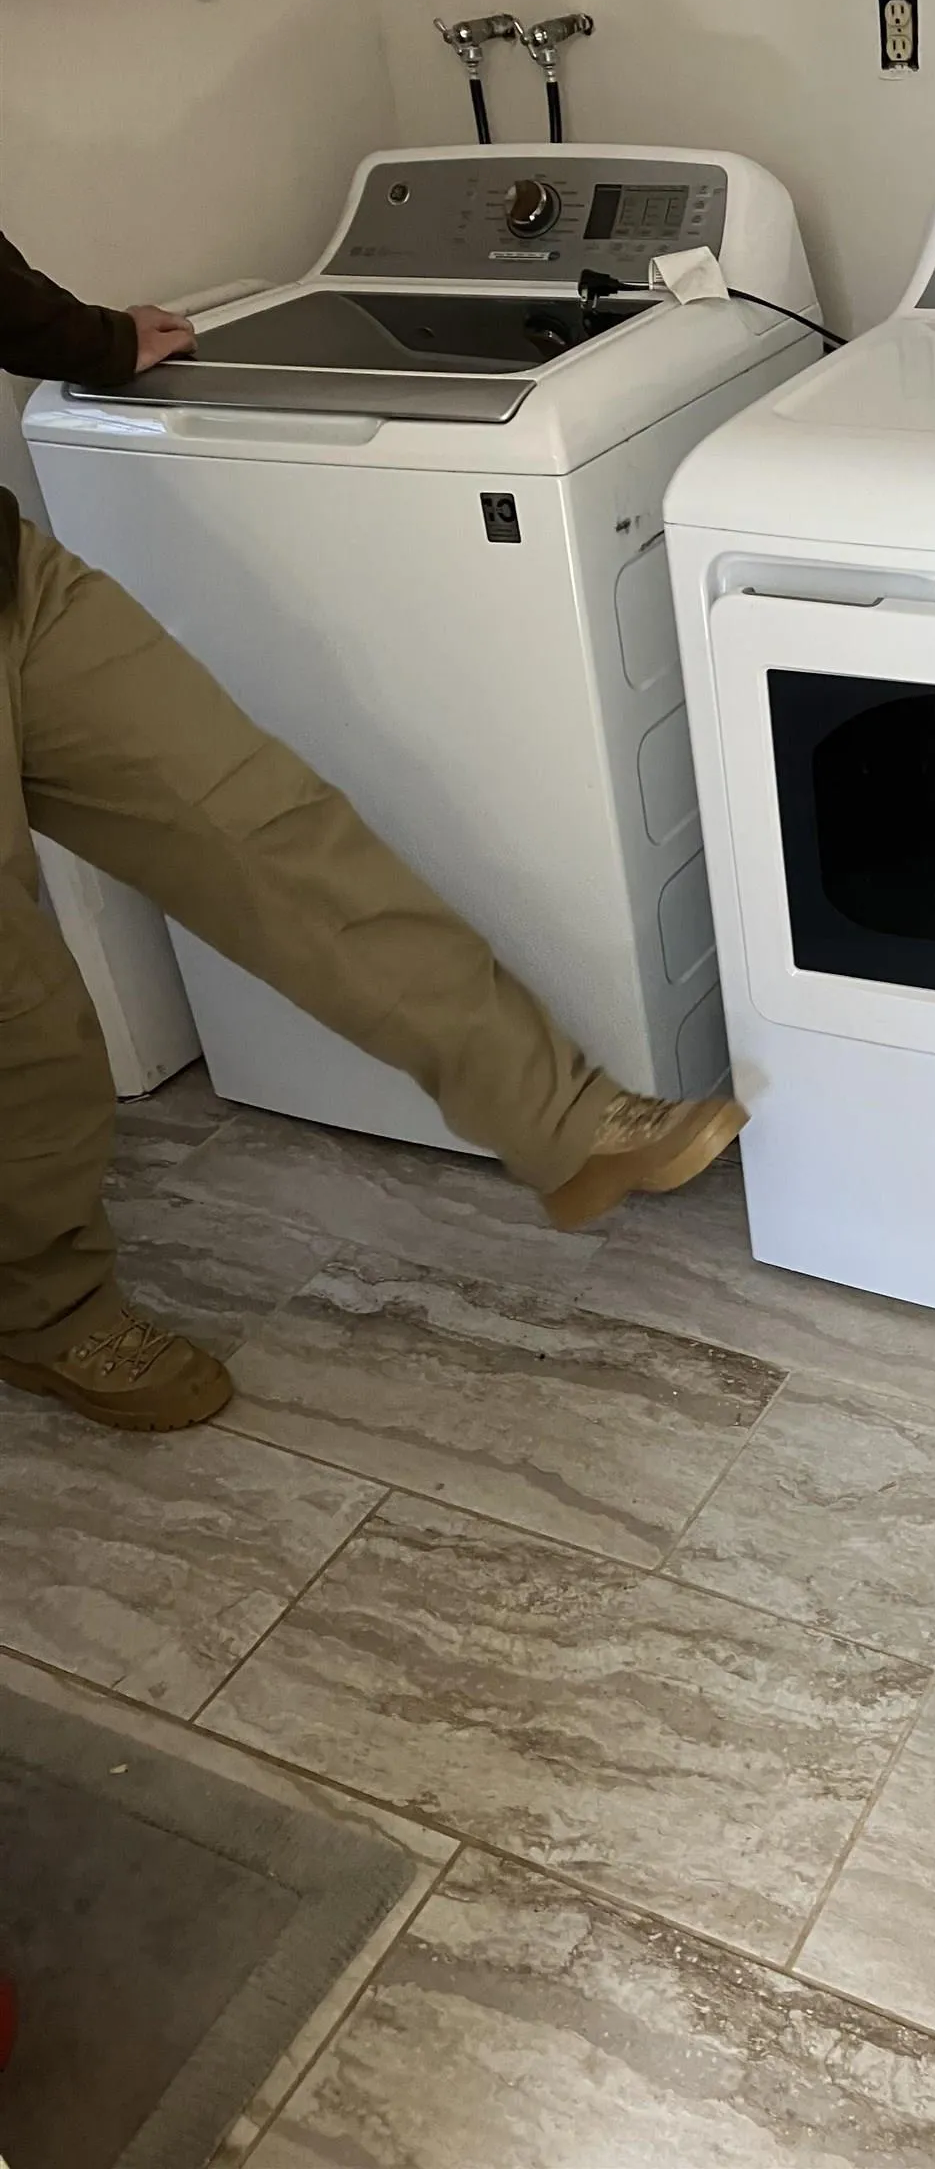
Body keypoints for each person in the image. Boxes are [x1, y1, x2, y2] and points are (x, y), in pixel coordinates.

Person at [0, 231, 744, 1437]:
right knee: (19, 1020)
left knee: (270, 827)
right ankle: (46, 1313)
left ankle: (566, 1122)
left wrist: (80, 340)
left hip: (11, 586)